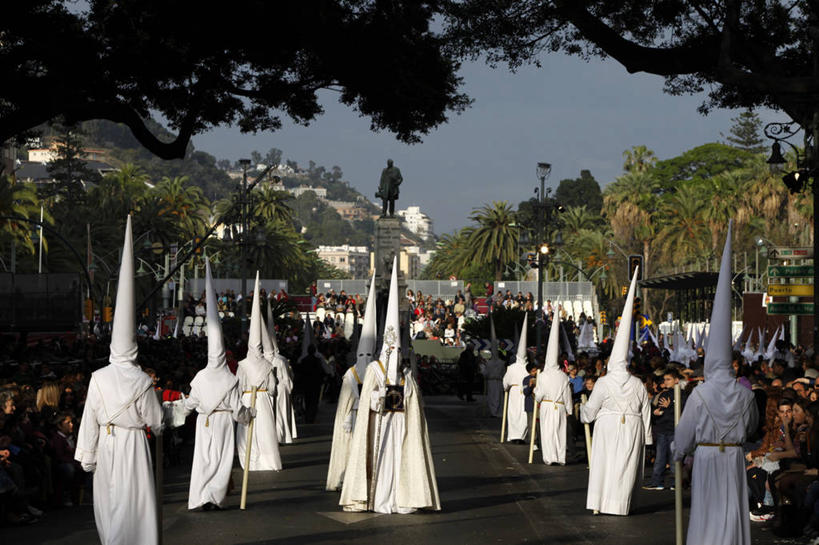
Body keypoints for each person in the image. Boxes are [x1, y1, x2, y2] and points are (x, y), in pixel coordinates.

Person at [74, 215, 164, 545]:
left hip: (106, 443)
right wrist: (162, 422)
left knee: (108, 503)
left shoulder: (98, 377)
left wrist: (87, 454)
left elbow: (90, 418)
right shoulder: (141, 380)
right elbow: (156, 421)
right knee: (134, 503)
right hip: (133, 445)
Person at [674, 223, 758, 545]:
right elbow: (751, 427)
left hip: (708, 459)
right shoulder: (745, 395)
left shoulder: (700, 394)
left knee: (707, 513)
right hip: (733, 458)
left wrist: (678, 452)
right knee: (731, 510)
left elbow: (685, 433)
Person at [339, 257, 440, 513]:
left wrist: (405, 393)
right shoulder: (374, 370)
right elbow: (367, 400)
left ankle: (402, 497)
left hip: (401, 424)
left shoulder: (406, 374)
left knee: (400, 459)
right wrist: (377, 398)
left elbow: (414, 401)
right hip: (379, 423)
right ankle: (377, 498)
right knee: (381, 460)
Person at [581, 269, 652, 515]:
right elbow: (646, 410)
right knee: (625, 467)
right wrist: (647, 437)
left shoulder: (603, 382)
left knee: (606, 464)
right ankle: (621, 504)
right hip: (632, 427)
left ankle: (602, 502)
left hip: (607, 426)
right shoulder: (637, 384)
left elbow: (591, 409)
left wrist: (584, 413)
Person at [184, 260, 253, 510]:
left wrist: (178, 410)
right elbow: (237, 409)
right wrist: (248, 415)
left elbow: (191, 402)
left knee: (203, 459)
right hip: (223, 421)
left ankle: (202, 495)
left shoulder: (200, 377)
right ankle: (213, 496)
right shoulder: (229, 378)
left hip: (204, 420)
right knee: (221, 459)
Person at [327, 273, 378, 491]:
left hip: (368, 414)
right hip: (360, 415)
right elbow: (345, 401)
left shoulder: (360, 373)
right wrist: (347, 417)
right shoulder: (365, 372)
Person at [236, 273, 282, 472]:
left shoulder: (242, 365)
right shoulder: (266, 364)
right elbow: (272, 387)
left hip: (247, 400)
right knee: (265, 432)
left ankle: (250, 462)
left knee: (248, 434)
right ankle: (268, 462)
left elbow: (238, 386)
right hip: (263, 400)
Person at [534, 316, 574, 465]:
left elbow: (539, 395)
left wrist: (535, 393)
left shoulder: (543, 376)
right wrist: (569, 409)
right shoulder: (563, 376)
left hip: (547, 405)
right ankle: (560, 457)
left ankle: (550, 457)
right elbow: (567, 394)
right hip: (561, 406)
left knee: (548, 432)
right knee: (560, 432)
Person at [263, 300, 297, 444]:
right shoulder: (281, 360)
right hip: (280, 388)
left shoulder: (272, 360)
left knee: (275, 413)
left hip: (274, 389)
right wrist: (289, 388)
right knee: (280, 413)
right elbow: (288, 377)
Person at [644, 368, 680, 490]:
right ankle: (657, 481)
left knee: (674, 458)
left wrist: (669, 407)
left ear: (676, 380)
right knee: (660, 458)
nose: (666, 382)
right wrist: (655, 412)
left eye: (669, 379)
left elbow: (681, 411)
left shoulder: (682, 395)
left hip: (674, 430)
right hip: (662, 429)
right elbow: (658, 410)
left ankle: (675, 482)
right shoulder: (663, 394)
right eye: (665, 379)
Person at [503, 314, 531, 443]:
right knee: (519, 415)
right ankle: (519, 436)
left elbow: (505, 382)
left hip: (516, 392)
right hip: (520, 392)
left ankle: (516, 435)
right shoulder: (526, 367)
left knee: (516, 414)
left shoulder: (512, 367)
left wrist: (506, 388)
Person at [483, 315, 506, 418]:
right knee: (496, 397)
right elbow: (503, 373)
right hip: (496, 381)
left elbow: (485, 373)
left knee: (493, 397)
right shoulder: (500, 363)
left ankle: (494, 411)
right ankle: (496, 411)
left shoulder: (490, 363)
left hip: (493, 381)